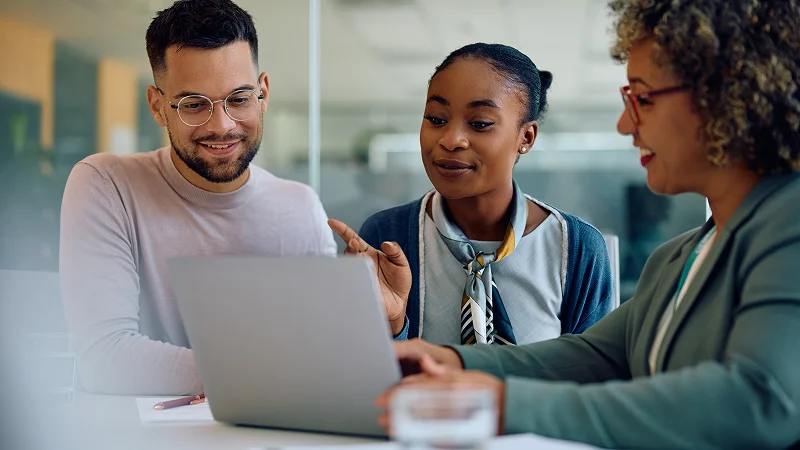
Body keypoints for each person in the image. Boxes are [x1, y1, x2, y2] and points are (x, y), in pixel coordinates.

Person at [374, 1, 800, 448]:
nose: (624, 124)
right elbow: (597, 356)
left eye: (644, 98)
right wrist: (447, 361)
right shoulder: (676, 260)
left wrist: (503, 405)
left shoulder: (788, 223)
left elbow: (760, 399)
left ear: (726, 98)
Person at [59, 0, 336, 395]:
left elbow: (327, 356)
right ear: (158, 106)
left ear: (264, 93)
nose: (222, 126)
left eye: (239, 99)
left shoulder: (301, 207)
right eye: (193, 105)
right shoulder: (107, 185)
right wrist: (273, 373)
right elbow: (104, 358)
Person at [330, 44, 614, 344]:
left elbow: (591, 375)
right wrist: (393, 323)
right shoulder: (388, 235)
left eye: (480, 123)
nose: (450, 140)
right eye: (436, 119)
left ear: (526, 137)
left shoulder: (577, 248)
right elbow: (366, 380)